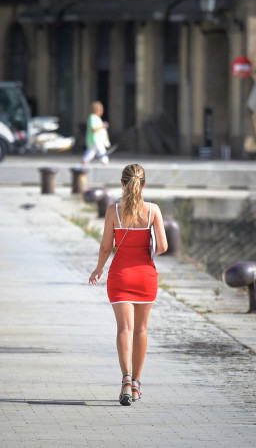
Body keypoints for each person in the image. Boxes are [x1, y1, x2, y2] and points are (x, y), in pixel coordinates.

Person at [88, 164, 168, 405]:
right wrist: (146, 252)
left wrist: (98, 269)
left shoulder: (114, 211)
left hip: (120, 276)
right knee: (141, 330)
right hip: (145, 276)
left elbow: (105, 247)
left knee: (124, 329)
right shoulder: (153, 210)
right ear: (143, 184)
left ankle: (124, 380)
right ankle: (136, 384)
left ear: (123, 184)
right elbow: (163, 247)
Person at [81, 101, 111, 166]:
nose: (102, 111)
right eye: (100, 109)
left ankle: (84, 162)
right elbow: (93, 129)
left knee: (91, 152)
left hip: (96, 139)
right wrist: (102, 126)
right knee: (102, 151)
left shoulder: (97, 118)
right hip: (95, 139)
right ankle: (105, 163)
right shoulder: (92, 117)